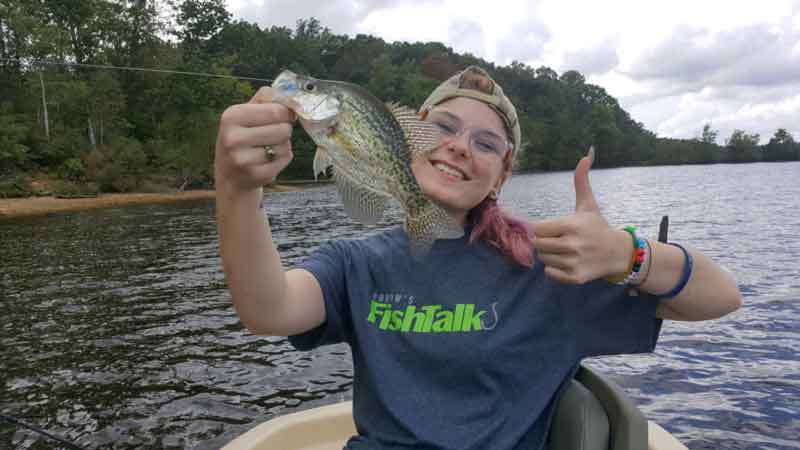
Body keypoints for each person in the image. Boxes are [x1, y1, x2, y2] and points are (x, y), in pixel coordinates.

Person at [214, 66, 742, 450]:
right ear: (407, 136)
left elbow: (721, 297)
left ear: (503, 175)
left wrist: (630, 254)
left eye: (486, 143)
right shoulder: (358, 262)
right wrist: (237, 189)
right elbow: (269, 310)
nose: (460, 147)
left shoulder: (552, 266)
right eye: (442, 128)